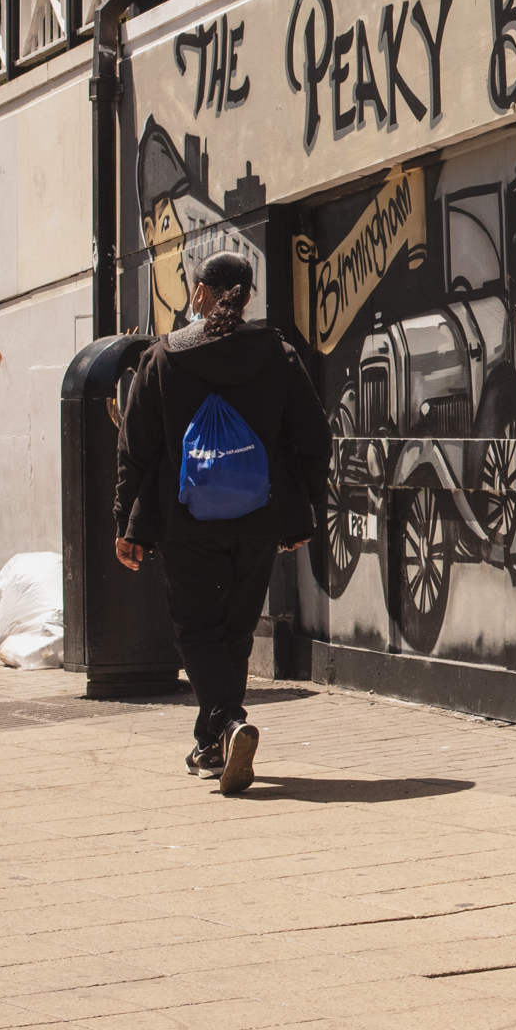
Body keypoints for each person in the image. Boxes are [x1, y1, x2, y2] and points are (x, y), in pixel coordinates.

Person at [115, 250, 328, 795]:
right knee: (234, 628)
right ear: (248, 296)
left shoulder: (164, 358)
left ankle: (229, 722)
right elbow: (312, 436)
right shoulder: (278, 355)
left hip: (185, 519)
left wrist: (125, 521)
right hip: (257, 516)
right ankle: (212, 744)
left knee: (195, 628)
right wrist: (304, 509)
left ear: (200, 294)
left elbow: (136, 448)